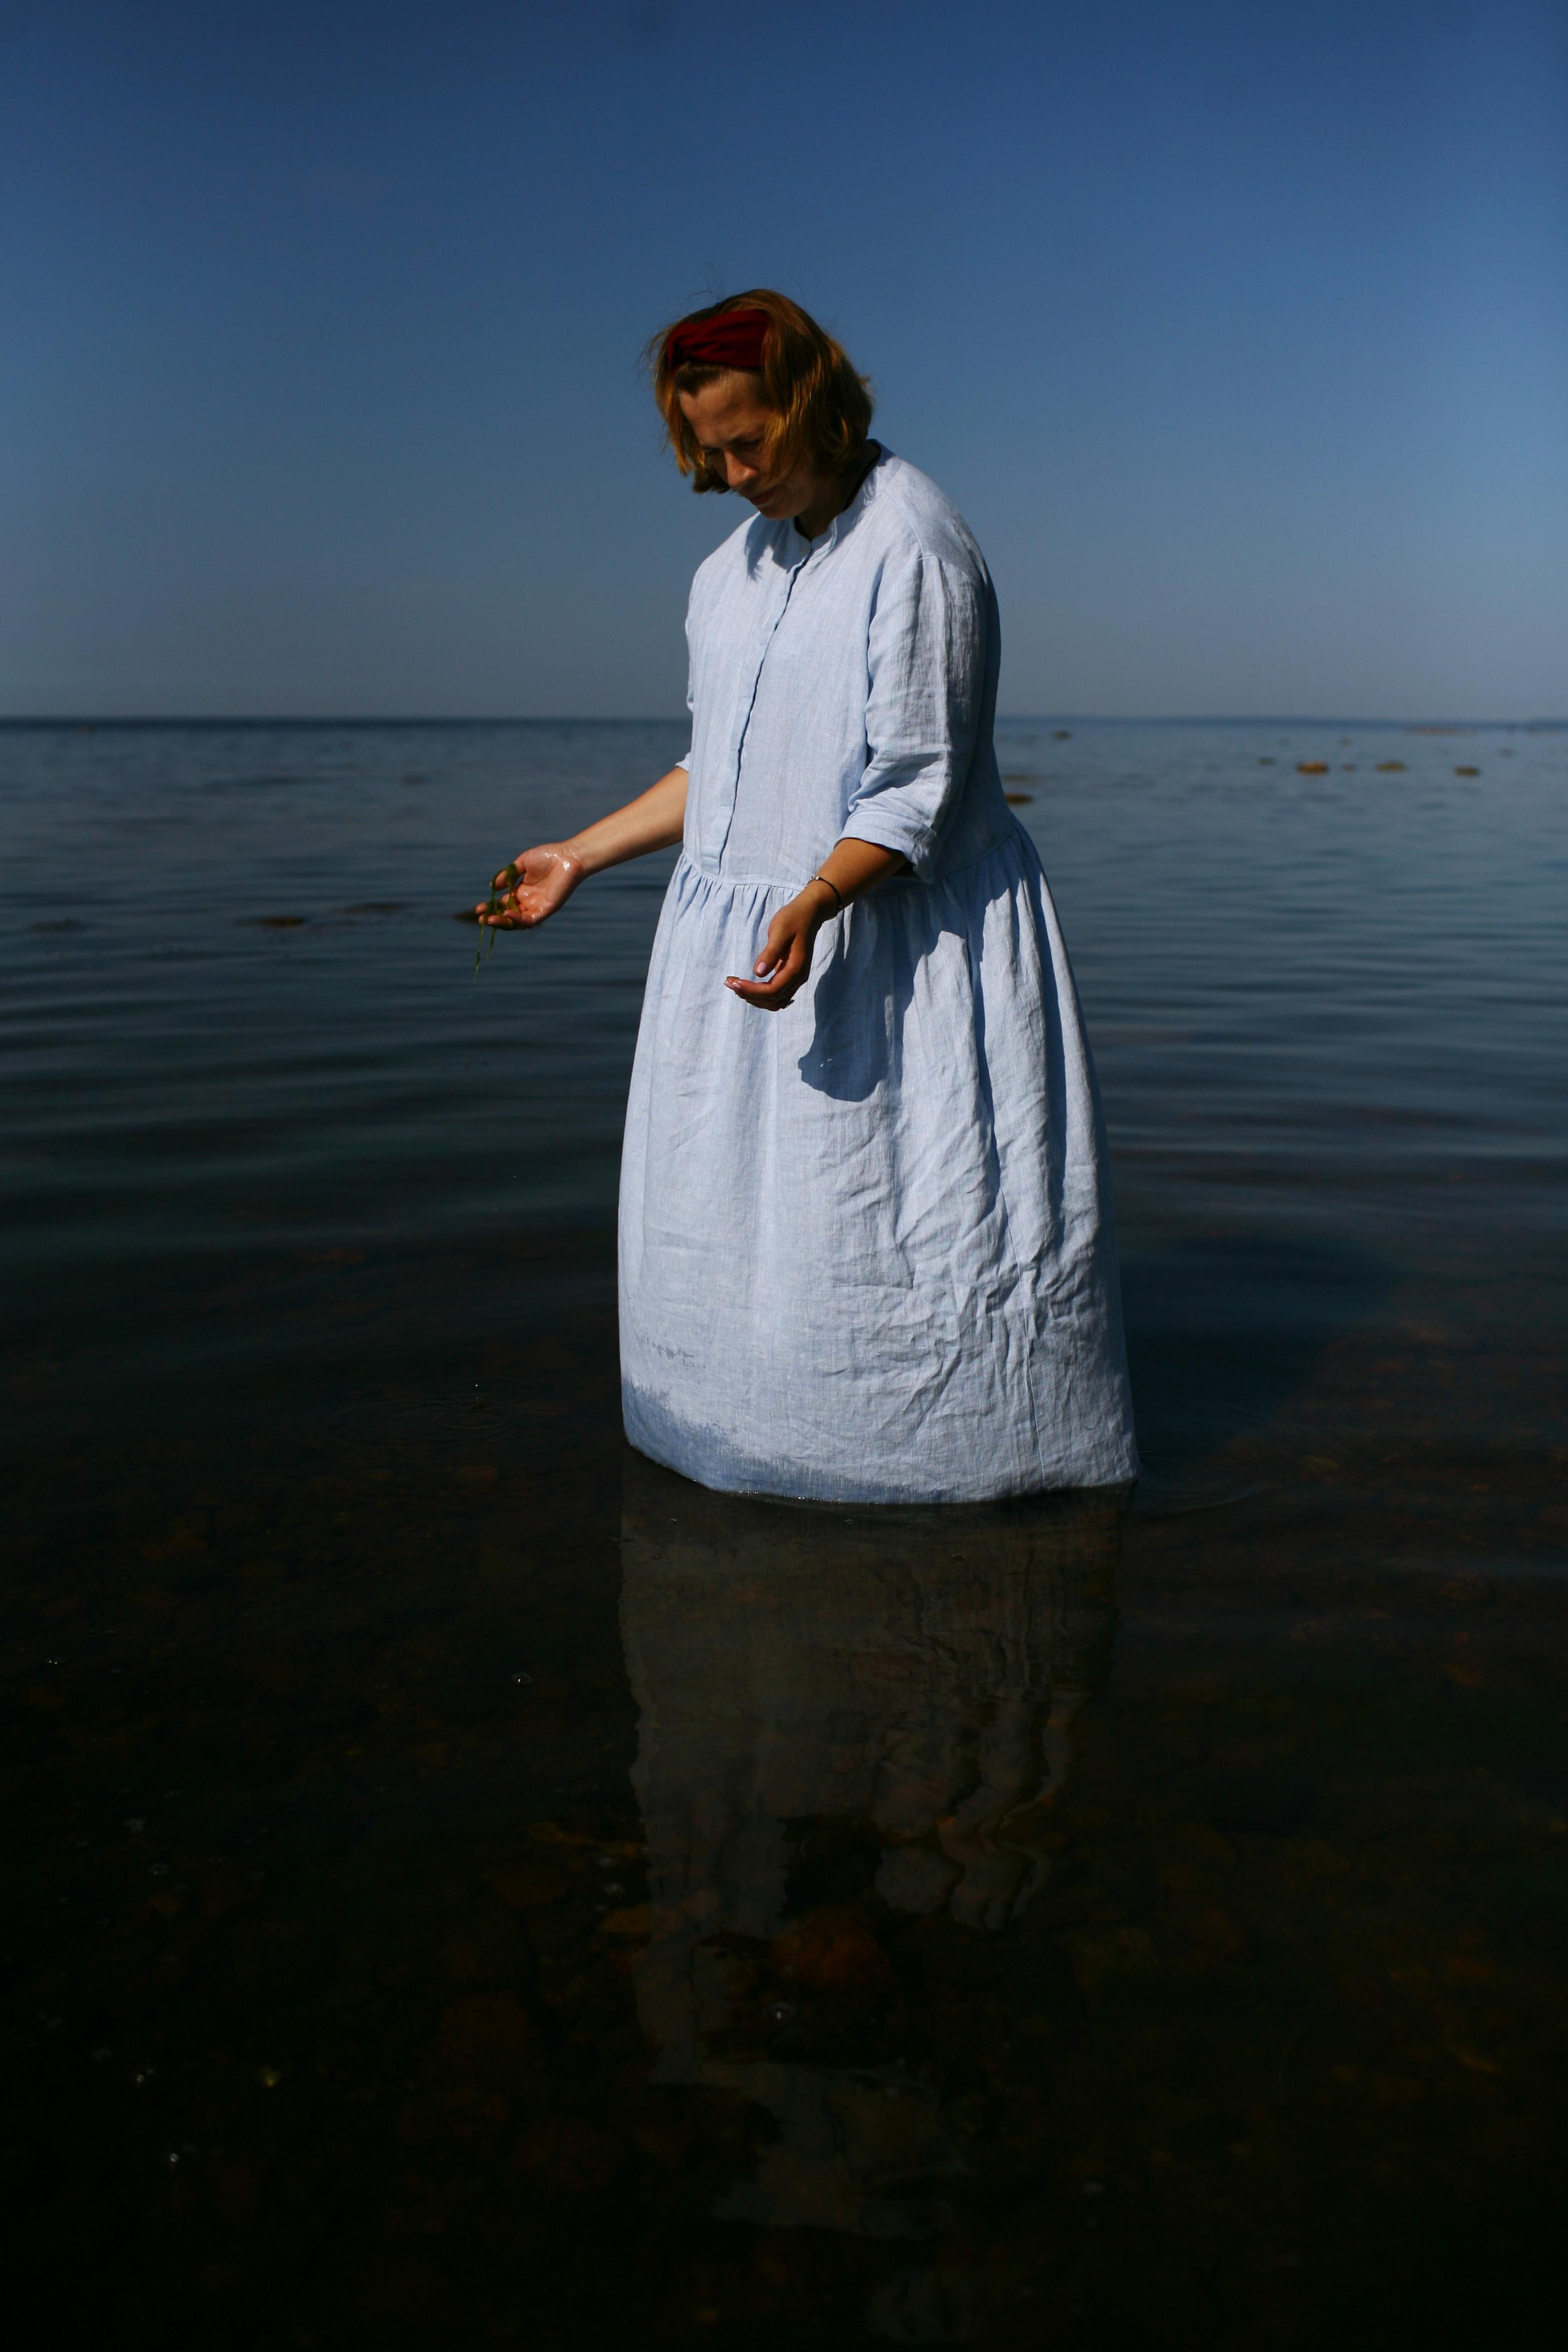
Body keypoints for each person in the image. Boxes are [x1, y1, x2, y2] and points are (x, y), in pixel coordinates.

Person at [481, 289, 1137, 1502]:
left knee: (887, 1241)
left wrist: (820, 897)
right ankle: (744, 1457)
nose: (733, 474)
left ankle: (947, 1479)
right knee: (742, 1256)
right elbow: (719, 767)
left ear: (814, 404)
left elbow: (915, 784)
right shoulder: (729, 571)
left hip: (891, 944)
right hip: (753, 943)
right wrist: (577, 853)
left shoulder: (913, 548)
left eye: (750, 442)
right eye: (709, 451)